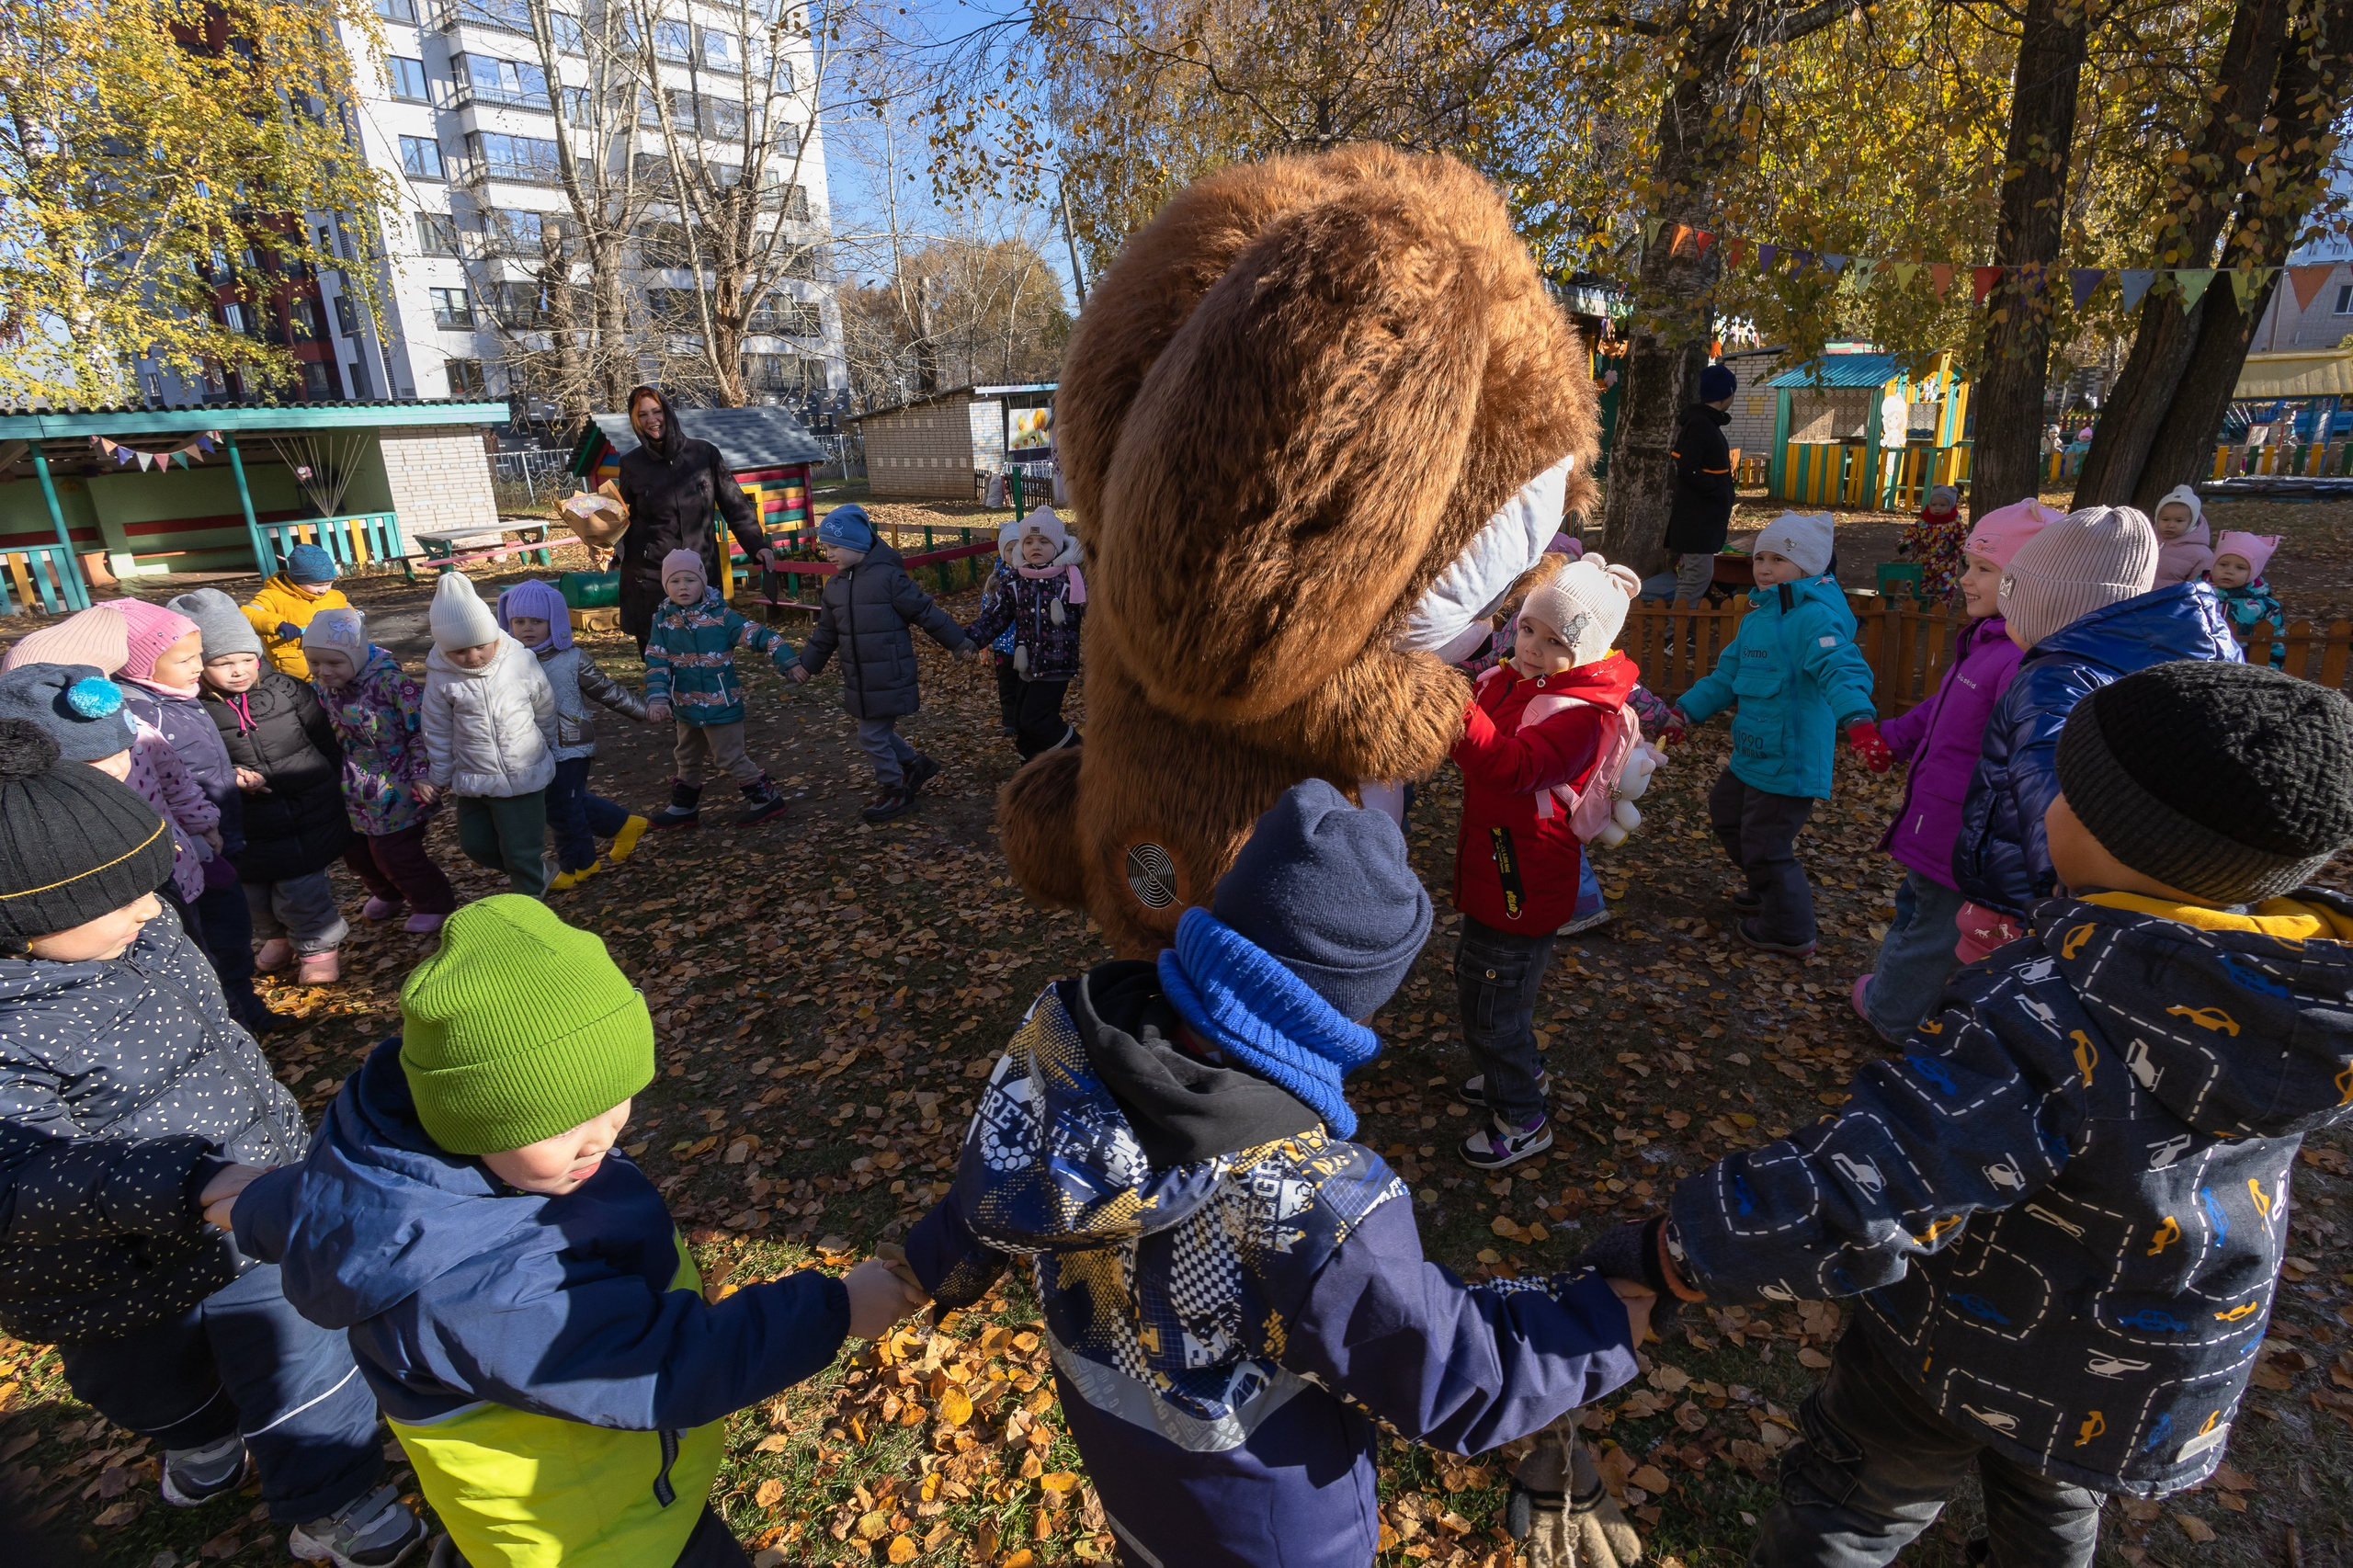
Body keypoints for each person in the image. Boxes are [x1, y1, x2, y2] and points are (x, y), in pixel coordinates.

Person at [1602, 661, 2353, 1568]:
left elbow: (1889, 1170)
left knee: (1853, 1510)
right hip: (2131, 1375)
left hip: (1962, 1343)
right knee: (2052, 1509)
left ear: (2130, 837)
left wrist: (1677, 1249)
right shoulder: (2296, 1001)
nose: (2044, 807)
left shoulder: (2059, 1004)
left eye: (2070, 793)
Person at [902, 781, 1648, 1568]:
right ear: (1347, 1008)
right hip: (1274, 1531)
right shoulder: (1311, 1200)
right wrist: (1613, 1315)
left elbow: (999, 1178)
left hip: (1129, 1487)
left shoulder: (1066, 1039)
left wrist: (926, 1269)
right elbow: (1452, 1370)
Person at [229, 896, 926, 1568]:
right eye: (562, 1123)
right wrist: (834, 1309)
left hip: (610, 1493)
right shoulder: (480, 1289)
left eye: (614, 1099)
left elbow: (308, 1205)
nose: (602, 1138)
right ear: (473, 1119)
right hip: (597, 1540)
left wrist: (229, 1198)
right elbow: (658, 1365)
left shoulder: (393, 1179)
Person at [0, 718, 426, 1568]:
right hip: (109, 1268)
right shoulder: (11, 1028)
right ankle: (197, 1440)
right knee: (151, 1382)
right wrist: (180, 1181)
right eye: (116, 898)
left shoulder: (145, 931)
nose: (148, 907)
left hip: (248, 1209)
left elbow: (214, 1037)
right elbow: (16, 1182)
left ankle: (332, 1499)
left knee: (303, 1360)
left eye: (149, 885)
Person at [1951, 506, 2241, 957]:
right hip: (2165, 903)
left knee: (1985, 999)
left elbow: (2048, 796)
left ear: (2051, 604)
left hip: (2038, 906)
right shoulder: (2195, 653)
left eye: (2016, 594)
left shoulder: (2057, 679)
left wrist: (2072, 908)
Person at [1449, 554, 1645, 1169]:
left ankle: (1522, 1117)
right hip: (1505, 868)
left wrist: (1455, 714)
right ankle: (1521, 1071)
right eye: (1529, 629)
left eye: (1555, 641)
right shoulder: (1523, 682)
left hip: (1520, 878)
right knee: (1498, 989)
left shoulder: (1579, 716)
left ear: (1585, 651)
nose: (1531, 648)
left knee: (1489, 1003)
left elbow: (1514, 768)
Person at [1851, 500, 2057, 1042]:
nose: (1966, 579)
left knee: (1929, 926)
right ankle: (1910, 1001)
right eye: (1968, 564)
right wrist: (1893, 739)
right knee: (1921, 911)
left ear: (2028, 582)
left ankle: (1892, 1014)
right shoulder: (1987, 642)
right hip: (1938, 815)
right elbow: (1940, 713)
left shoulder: (2018, 659)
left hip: (1964, 828)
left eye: (1985, 569)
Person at [1667, 512, 1888, 958]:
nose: (1764, 569)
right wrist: (1685, 713)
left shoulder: (1814, 620)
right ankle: (1767, 887)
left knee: (1766, 844)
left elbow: (1840, 668)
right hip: (1754, 749)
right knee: (1727, 815)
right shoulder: (1760, 617)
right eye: (1759, 558)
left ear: (1808, 568)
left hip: (1791, 755)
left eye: (1778, 560)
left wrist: (1859, 722)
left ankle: (1789, 927)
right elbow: (1726, 675)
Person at [130, 593, 288, 1032]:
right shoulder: (148, 712)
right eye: (187, 660)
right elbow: (167, 778)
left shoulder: (179, 697)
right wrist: (202, 827)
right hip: (192, 846)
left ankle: (247, 1011)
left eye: (200, 657)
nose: (199, 667)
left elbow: (192, 764)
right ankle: (235, 1020)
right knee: (215, 935)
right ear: (145, 664)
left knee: (232, 930)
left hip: (216, 833)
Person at [187, 590, 355, 985]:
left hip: (305, 810)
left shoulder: (287, 689)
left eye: (247, 658)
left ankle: (317, 948)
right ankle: (276, 936)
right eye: (222, 662)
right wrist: (230, 778)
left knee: (303, 889)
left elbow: (324, 738)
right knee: (254, 895)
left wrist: (327, 784)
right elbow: (191, 761)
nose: (238, 670)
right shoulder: (194, 707)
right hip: (245, 821)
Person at [789, 505, 977, 824]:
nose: (829, 554)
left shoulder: (888, 579)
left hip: (890, 672)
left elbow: (924, 613)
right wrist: (807, 664)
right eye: (826, 547)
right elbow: (825, 634)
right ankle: (917, 764)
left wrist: (958, 642)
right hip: (860, 677)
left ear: (858, 545)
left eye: (835, 547)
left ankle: (895, 790)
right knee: (876, 730)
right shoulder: (834, 588)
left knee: (871, 736)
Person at [302, 608, 458, 935]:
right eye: (314, 663)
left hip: (396, 785)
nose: (323, 671)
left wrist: (423, 773)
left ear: (356, 656)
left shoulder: (391, 684)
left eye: (334, 663)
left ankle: (434, 902)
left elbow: (421, 730)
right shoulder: (322, 691)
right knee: (355, 851)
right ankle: (389, 893)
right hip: (351, 788)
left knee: (395, 851)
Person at [496, 578, 653, 885]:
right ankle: (624, 825)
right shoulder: (505, 662)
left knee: (561, 806)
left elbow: (607, 691)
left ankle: (578, 866)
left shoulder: (571, 659)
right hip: (530, 746)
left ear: (553, 621)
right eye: (519, 621)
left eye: (537, 621)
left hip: (571, 743)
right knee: (564, 801)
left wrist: (643, 711)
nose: (527, 628)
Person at [421, 573, 556, 900]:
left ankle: (531, 913)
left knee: (521, 851)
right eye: (459, 652)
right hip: (474, 776)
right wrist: (439, 775)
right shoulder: (441, 678)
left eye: (480, 646)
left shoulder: (519, 661)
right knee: (476, 846)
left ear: (493, 634)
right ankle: (537, 872)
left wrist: (548, 742)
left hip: (523, 772)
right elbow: (436, 728)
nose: (472, 657)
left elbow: (544, 703)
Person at [608, 385, 771, 653]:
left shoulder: (703, 454)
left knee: (708, 652)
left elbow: (735, 504)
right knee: (661, 659)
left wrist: (758, 545)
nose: (652, 420)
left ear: (668, 413)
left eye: (657, 411)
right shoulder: (631, 463)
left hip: (699, 572)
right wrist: (604, 545)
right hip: (651, 578)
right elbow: (620, 517)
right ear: (635, 421)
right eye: (643, 415)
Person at [641, 551, 796, 831]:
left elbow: (761, 635)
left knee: (728, 756)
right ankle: (684, 807)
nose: (683, 587)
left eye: (690, 579)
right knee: (686, 755)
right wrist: (658, 698)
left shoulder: (722, 617)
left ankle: (766, 798)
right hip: (685, 706)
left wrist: (789, 661)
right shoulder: (662, 621)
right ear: (666, 586)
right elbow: (656, 661)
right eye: (675, 582)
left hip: (721, 704)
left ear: (703, 582)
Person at [961, 505, 1085, 760]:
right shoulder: (1014, 581)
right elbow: (996, 616)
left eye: (1043, 541)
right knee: (1022, 724)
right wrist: (971, 639)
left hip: (1056, 663)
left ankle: (1086, 754)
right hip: (1026, 663)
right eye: (1028, 541)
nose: (1035, 546)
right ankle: (1031, 775)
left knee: (1036, 719)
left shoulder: (1070, 580)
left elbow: (1094, 614)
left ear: (1058, 546)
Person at [1662, 362, 1738, 609]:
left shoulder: (1705, 423)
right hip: (1697, 522)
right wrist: (1717, 492)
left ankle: (1680, 633)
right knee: (1696, 578)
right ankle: (1675, 637)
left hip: (1702, 521)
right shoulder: (1701, 425)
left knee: (1695, 577)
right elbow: (1688, 469)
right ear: (1725, 393)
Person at [243, 542, 352, 680]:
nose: (323, 589)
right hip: (294, 672)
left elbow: (351, 614)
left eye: (328, 583)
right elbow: (248, 614)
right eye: (317, 585)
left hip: (332, 669)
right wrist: (278, 624)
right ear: (296, 579)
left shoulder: (335, 596)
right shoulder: (272, 596)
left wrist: (353, 620)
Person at [2209, 529, 2285, 667]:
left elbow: (2275, 646)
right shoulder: (2195, 596)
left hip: (2245, 670)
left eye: (2240, 567)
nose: (2229, 571)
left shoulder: (2264, 606)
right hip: (2200, 668)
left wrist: (2272, 671)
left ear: (2253, 572)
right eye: (2223, 564)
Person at [1902, 483, 1967, 605]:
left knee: (1944, 590)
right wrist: (1906, 542)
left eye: (1943, 505)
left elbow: (1962, 539)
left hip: (1945, 565)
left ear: (1951, 506)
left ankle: (1938, 612)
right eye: (1934, 504)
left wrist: (1964, 552)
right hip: (1921, 563)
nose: (1938, 508)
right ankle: (1913, 609)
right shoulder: (1923, 523)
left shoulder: (1956, 525)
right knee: (1915, 587)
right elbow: (1912, 533)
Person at [2149, 483, 2215, 588]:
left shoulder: (2201, 554)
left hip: (2171, 603)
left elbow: (2197, 589)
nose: (2171, 525)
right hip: (2135, 601)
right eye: (2165, 519)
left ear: (2192, 522)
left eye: (2179, 521)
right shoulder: (2145, 543)